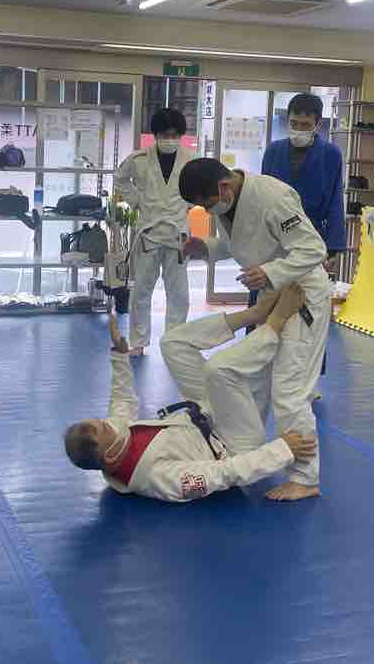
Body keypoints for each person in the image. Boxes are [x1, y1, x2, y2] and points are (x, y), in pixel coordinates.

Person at [63, 288, 317, 503]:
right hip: (233, 444)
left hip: (204, 415)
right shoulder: (157, 478)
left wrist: (119, 355)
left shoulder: (113, 439)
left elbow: (121, 402)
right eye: (105, 428)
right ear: (109, 456)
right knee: (218, 370)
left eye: (102, 422)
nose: (110, 423)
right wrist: (281, 450)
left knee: (172, 344)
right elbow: (224, 473)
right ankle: (276, 322)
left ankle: (255, 314)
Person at [179, 159, 331, 502]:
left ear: (223, 187)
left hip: (301, 293)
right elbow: (239, 244)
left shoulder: (273, 197)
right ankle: (248, 455)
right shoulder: (229, 202)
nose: (208, 210)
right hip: (271, 294)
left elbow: (314, 249)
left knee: (290, 390)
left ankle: (305, 478)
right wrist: (206, 247)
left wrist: (269, 272)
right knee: (255, 381)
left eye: (208, 204)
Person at [258, 92, 344, 384]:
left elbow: (335, 200)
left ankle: (309, 377)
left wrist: (332, 247)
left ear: (318, 124)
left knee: (310, 310)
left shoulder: (331, 154)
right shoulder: (273, 151)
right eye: (294, 123)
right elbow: (260, 197)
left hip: (311, 239)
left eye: (305, 125)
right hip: (273, 239)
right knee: (268, 302)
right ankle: (260, 365)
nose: (298, 129)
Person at [112, 108, 193, 352]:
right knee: (141, 291)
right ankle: (138, 342)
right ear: (155, 135)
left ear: (181, 135)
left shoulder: (191, 159)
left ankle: (174, 342)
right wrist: (136, 201)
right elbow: (120, 178)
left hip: (177, 234)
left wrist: (188, 204)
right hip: (149, 232)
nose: (170, 139)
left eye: (174, 135)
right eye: (165, 135)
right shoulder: (138, 159)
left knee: (179, 293)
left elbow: (202, 186)